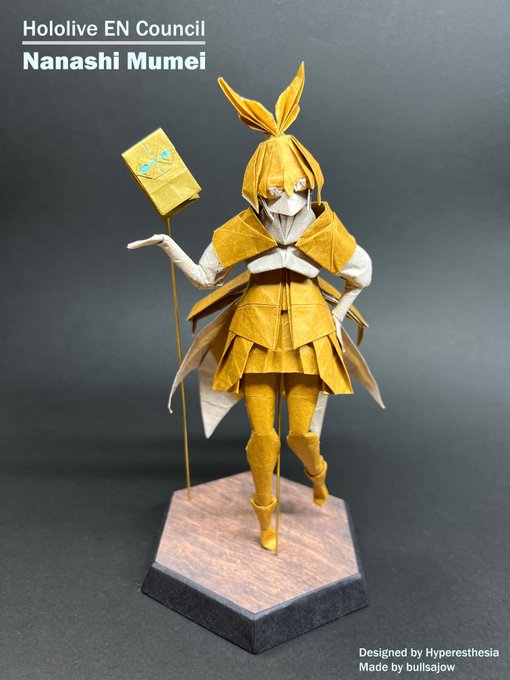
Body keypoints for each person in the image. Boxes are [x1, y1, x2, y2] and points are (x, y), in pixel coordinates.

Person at [128, 63, 383, 551]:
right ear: (257, 190)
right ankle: (264, 517)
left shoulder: (324, 228)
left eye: (298, 191)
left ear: (311, 184)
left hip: (310, 336)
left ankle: (318, 473)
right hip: (255, 337)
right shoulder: (242, 230)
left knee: (301, 436)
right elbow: (206, 278)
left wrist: (337, 313)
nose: (288, 203)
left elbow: (362, 274)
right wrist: (168, 244)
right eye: (275, 193)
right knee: (263, 436)